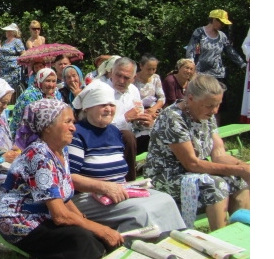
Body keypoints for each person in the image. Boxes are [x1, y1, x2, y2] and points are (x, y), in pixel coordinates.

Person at [0, 99, 123, 258]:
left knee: (91, 235)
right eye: (68, 121)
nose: (73, 128)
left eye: (73, 122)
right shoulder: (38, 156)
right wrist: (99, 229)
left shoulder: (61, 151)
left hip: (44, 215)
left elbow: (62, 195)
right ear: (47, 127)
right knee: (81, 239)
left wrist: (84, 220)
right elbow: (60, 216)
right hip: (20, 221)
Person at [67, 83, 185, 233]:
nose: (108, 109)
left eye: (111, 105)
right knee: (139, 212)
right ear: (87, 108)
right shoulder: (77, 134)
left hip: (119, 190)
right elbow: (70, 177)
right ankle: (130, 251)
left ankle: (174, 245)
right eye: (102, 105)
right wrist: (105, 187)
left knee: (166, 200)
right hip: (87, 197)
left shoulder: (114, 131)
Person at [145, 74, 250, 230]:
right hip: (165, 176)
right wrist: (241, 169)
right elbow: (192, 164)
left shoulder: (207, 115)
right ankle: (222, 241)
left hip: (194, 173)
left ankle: (243, 233)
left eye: (218, 105)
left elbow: (219, 155)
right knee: (215, 185)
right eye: (209, 106)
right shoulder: (172, 118)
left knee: (238, 180)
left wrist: (244, 169)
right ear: (191, 99)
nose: (214, 110)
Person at [95, 57, 153, 181]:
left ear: (134, 78)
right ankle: (129, 181)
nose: (121, 81)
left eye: (126, 78)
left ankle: (155, 176)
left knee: (158, 133)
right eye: (118, 75)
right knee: (127, 136)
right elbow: (98, 123)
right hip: (105, 136)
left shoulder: (133, 90)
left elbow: (138, 112)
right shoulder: (102, 91)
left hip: (132, 134)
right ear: (111, 72)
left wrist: (145, 120)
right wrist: (125, 118)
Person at [185, 10, 247, 123]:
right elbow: (191, 51)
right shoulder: (199, 32)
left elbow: (230, 52)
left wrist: (244, 65)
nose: (222, 25)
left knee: (218, 105)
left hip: (218, 75)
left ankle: (215, 131)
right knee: (202, 103)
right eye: (221, 22)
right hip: (201, 75)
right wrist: (190, 69)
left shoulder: (222, 36)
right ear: (214, 20)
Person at [10, 68, 61, 141]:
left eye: (53, 81)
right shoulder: (29, 95)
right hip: (25, 135)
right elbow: (29, 122)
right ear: (40, 81)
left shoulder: (57, 94)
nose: (51, 84)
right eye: (47, 81)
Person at [132, 54, 166, 153]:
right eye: (148, 69)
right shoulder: (133, 79)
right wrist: (145, 111)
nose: (151, 72)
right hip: (138, 110)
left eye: (154, 69)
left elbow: (161, 97)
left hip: (153, 109)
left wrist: (154, 109)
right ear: (141, 66)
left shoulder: (156, 78)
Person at [0, 23, 26, 91]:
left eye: (7, 31)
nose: (6, 32)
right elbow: (0, 52)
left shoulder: (17, 41)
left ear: (12, 32)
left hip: (13, 70)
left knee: (11, 88)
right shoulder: (5, 42)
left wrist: (15, 61)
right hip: (3, 70)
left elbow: (23, 53)